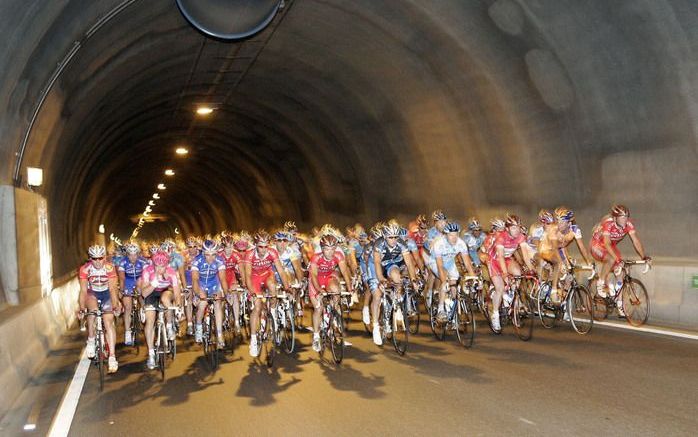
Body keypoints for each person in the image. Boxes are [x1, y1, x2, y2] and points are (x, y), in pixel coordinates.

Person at [243, 231, 291, 357]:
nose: (263, 249)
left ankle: (273, 312)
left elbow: (280, 270)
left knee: (273, 287)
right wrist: (252, 292)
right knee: (257, 307)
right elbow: (247, 275)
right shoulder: (249, 255)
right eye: (260, 246)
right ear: (255, 245)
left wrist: (287, 287)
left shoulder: (272, 252)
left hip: (267, 275)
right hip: (254, 278)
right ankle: (253, 340)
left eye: (266, 246)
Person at [590, 205, 649, 303]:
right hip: (598, 245)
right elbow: (607, 244)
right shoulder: (608, 223)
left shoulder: (628, 224)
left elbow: (636, 241)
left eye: (626, 217)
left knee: (620, 272)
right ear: (615, 218)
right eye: (622, 217)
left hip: (611, 246)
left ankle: (619, 303)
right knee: (611, 259)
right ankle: (600, 283)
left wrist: (643, 256)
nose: (625, 220)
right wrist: (617, 260)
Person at [372, 222, 419, 345]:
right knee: (377, 295)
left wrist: (414, 279)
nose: (393, 240)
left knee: (398, 278)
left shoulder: (401, 244)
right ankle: (376, 326)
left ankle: (397, 302)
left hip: (393, 264)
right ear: (385, 236)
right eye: (390, 237)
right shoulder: (379, 244)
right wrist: (381, 279)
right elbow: (377, 263)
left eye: (395, 237)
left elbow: (409, 263)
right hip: (378, 266)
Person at [486, 215, 535, 332]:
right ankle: (495, 315)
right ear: (507, 229)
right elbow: (501, 257)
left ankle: (513, 298)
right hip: (494, 261)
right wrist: (504, 274)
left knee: (518, 273)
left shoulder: (520, 237)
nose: (517, 230)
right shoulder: (501, 237)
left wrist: (532, 269)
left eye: (518, 227)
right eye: (513, 228)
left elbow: (525, 256)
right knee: (500, 288)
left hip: (507, 259)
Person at [78, 245, 121, 373]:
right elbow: (83, 291)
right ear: (90, 258)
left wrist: (115, 305)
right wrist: (81, 308)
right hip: (93, 293)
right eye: (94, 258)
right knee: (93, 312)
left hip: (107, 293)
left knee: (108, 321)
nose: (97, 261)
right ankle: (91, 340)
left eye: (100, 258)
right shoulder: (85, 269)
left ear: (105, 257)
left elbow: (113, 289)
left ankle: (112, 357)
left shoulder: (110, 267)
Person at [308, 234, 354, 352]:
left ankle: (332, 314)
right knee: (318, 308)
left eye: (333, 249)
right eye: (327, 249)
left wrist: (350, 287)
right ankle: (316, 336)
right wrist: (319, 290)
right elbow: (313, 275)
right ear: (322, 249)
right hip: (316, 280)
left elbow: (344, 271)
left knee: (336, 289)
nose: (330, 252)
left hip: (328, 277)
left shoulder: (338, 255)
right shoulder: (316, 257)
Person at [140, 251, 182, 369]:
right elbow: (143, 293)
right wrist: (154, 283)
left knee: (165, 299)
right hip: (151, 293)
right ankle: (151, 354)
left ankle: (169, 326)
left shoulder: (171, 272)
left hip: (166, 291)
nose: (159, 269)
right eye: (157, 266)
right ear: (153, 264)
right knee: (150, 320)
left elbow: (177, 291)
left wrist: (178, 306)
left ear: (166, 265)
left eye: (162, 266)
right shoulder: (147, 271)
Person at [428, 222, 476, 320]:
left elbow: (467, 264)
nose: (454, 237)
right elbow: (440, 266)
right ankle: (440, 309)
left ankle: (452, 308)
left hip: (449, 262)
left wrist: (473, 277)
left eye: (456, 235)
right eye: (451, 235)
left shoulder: (461, 243)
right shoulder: (439, 244)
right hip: (435, 262)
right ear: (446, 235)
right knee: (444, 281)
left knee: (454, 281)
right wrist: (444, 281)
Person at [191, 240, 228, 348]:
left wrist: (227, 293)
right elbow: (195, 280)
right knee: (202, 305)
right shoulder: (197, 261)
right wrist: (198, 294)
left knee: (217, 303)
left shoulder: (220, 261)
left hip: (214, 284)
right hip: (200, 284)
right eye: (207, 255)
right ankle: (198, 326)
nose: (210, 258)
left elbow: (222, 279)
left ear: (216, 253)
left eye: (213, 255)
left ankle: (220, 335)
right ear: (203, 253)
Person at [117, 243, 149, 346]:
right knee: (128, 307)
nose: (133, 257)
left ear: (138, 254)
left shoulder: (143, 261)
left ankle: (143, 309)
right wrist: (122, 290)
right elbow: (121, 278)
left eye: (135, 254)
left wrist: (143, 288)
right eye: (130, 255)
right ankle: (127, 333)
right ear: (127, 255)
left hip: (140, 281)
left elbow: (146, 276)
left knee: (141, 295)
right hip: (128, 282)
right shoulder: (122, 262)